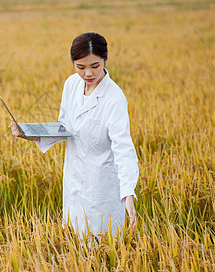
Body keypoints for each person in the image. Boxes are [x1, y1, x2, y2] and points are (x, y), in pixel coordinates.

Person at [9, 32, 139, 239]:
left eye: (95, 66)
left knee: (102, 247)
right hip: (74, 179)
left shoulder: (114, 99)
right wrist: (28, 133)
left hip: (102, 187)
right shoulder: (71, 84)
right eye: (81, 67)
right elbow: (65, 128)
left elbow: (123, 148)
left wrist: (128, 192)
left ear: (105, 60)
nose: (88, 73)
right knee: (73, 244)